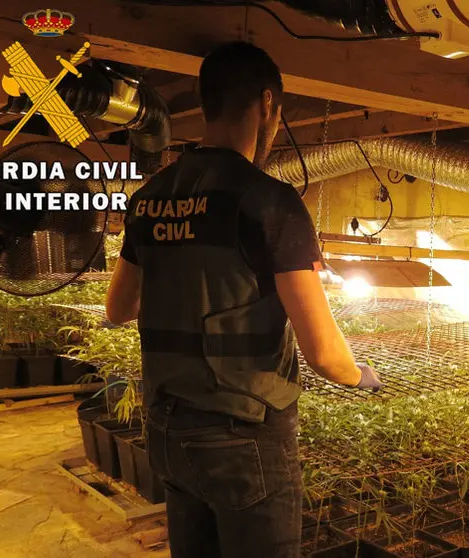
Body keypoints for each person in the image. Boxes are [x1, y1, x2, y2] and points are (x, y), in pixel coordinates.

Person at [104, 41, 382, 558]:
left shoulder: (149, 198)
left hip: (167, 428)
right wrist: (360, 375)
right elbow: (324, 355)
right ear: (268, 104)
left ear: (205, 103)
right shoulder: (269, 200)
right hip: (243, 435)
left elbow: (118, 309)